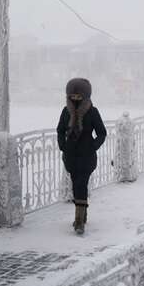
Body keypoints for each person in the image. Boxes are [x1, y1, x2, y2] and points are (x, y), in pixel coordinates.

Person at [57, 78, 107, 235]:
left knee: (81, 184)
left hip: (86, 156)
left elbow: (101, 133)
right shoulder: (66, 112)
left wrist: (92, 146)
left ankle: (78, 221)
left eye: (79, 96)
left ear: (86, 95)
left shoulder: (93, 112)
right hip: (71, 156)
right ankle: (83, 215)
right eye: (73, 96)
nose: (75, 99)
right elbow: (60, 130)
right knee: (76, 185)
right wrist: (63, 146)